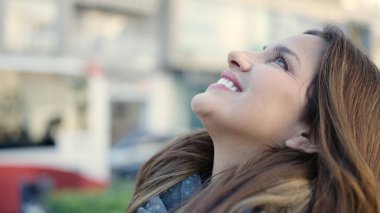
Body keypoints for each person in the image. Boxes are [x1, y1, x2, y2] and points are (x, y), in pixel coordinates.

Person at [126, 25, 380, 213]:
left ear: (310, 135)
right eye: (262, 51)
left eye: (280, 62)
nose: (236, 55)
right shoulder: (164, 193)